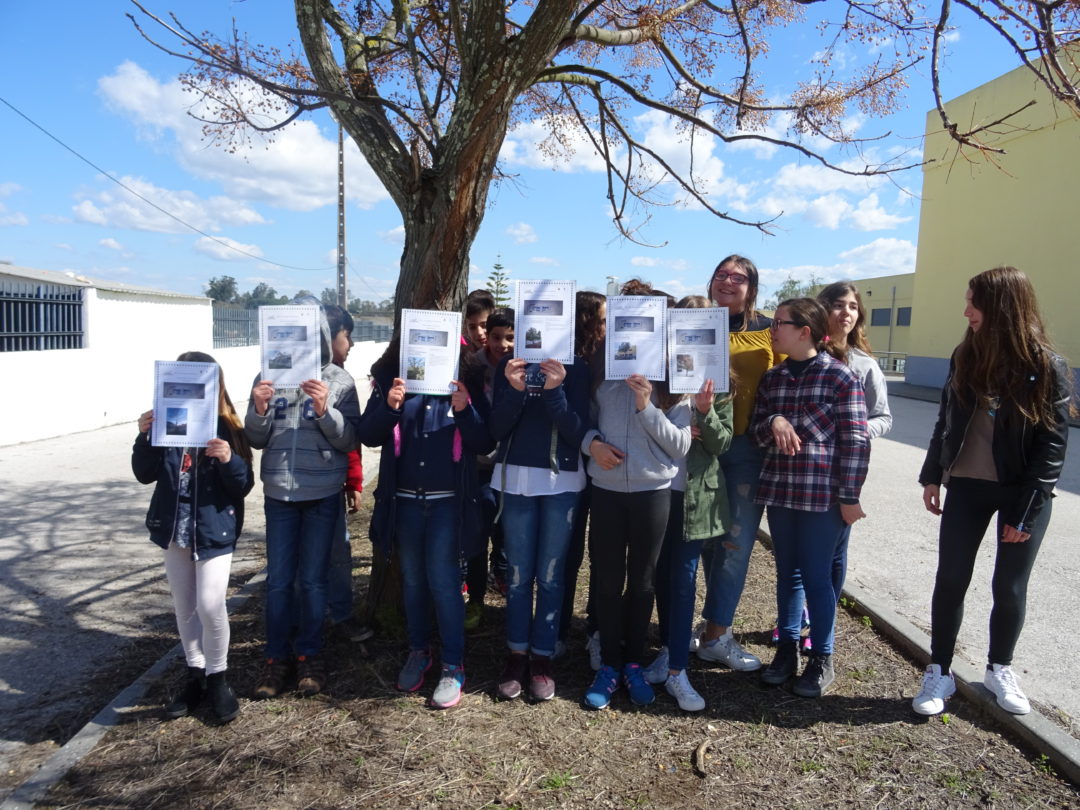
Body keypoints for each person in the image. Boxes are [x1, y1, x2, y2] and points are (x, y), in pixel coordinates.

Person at [912, 266, 1072, 716]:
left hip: (1021, 495)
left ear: (1002, 306)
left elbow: (1052, 446)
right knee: (951, 579)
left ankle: (999, 669)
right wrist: (932, 475)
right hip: (966, 486)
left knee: (1010, 586)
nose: (966, 312)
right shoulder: (965, 354)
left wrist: (1027, 511)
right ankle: (939, 671)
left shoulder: (1046, 366)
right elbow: (945, 422)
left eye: (974, 303)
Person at [361, 339, 494, 709]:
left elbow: (485, 440)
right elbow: (368, 435)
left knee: (445, 584)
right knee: (414, 582)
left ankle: (453, 664)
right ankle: (419, 651)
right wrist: (390, 407)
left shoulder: (464, 385)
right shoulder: (394, 383)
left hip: (446, 508)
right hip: (404, 504)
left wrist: (465, 410)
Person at [582, 283, 692, 710]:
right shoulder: (603, 374)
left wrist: (647, 405)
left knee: (644, 582)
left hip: (652, 493)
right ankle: (608, 665)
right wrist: (591, 442)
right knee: (608, 581)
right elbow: (583, 425)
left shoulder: (675, 379)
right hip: (607, 492)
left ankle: (633, 662)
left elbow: (679, 446)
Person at [753, 297, 869, 698]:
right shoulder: (774, 378)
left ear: (804, 331)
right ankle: (786, 650)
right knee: (788, 572)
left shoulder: (840, 378)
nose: (772, 327)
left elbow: (856, 441)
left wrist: (849, 496)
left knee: (818, 576)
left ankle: (822, 656)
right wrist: (774, 420)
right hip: (782, 492)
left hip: (823, 499)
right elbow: (757, 428)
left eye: (779, 322)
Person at [246, 302, 362, 699]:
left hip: (321, 494)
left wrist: (324, 410)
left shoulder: (341, 381)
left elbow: (349, 441)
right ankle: (275, 658)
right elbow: (256, 438)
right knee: (279, 581)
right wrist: (260, 409)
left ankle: (309, 656)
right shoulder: (268, 376)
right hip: (279, 492)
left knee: (312, 581)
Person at [132, 352, 254, 723]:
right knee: (184, 606)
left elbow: (244, 485)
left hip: (213, 528)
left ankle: (219, 678)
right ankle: (194, 675)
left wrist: (228, 458)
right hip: (175, 529)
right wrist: (144, 437)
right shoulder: (166, 424)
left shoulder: (228, 426)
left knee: (210, 604)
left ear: (214, 386)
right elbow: (144, 473)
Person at [772, 282, 893, 649]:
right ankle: (792, 632)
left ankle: (822, 640)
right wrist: (776, 420)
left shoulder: (857, 367)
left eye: (853, 307)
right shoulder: (786, 364)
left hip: (835, 479)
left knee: (827, 562)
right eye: (838, 305)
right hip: (794, 482)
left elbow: (878, 420)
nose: (846, 312)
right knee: (795, 566)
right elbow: (772, 408)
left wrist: (846, 430)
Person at [488, 323, 590, 702]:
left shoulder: (575, 366)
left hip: (562, 484)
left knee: (550, 577)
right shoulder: (509, 367)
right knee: (516, 576)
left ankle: (543, 659)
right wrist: (514, 392)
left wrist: (556, 391)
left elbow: (579, 430)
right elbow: (496, 428)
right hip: (515, 481)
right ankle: (516, 656)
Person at [643, 295, 734, 711]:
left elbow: (719, 444)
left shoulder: (718, 385)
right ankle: (667, 648)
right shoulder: (655, 376)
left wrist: (704, 411)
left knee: (682, 580)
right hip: (654, 494)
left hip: (693, 498)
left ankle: (679, 669)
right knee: (659, 578)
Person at [696, 255, 776, 671]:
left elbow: (786, 380)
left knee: (735, 543)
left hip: (747, 449)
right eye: (721, 274)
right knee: (708, 541)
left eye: (738, 277)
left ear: (752, 287)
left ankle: (717, 634)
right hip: (700, 447)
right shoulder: (691, 320)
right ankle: (712, 628)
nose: (727, 281)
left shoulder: (766, 328)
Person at [559, 290, 607, 666]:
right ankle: (558, 628)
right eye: (602, 320)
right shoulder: (569, 361)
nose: (607, 328)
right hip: (573, 464)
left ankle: (595, 626)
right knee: (569, 551)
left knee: (602, 551)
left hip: (608, 465)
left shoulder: (613, 357)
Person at [464, 307, 515, 630]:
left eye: (510, 337)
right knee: (478, 532)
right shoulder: (473, 367)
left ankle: (505, 580)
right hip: (482, 465)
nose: (502, 344)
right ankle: (476, 598)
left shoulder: (522, 365)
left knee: (508, 531)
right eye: (496, 337)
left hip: (513, 466)